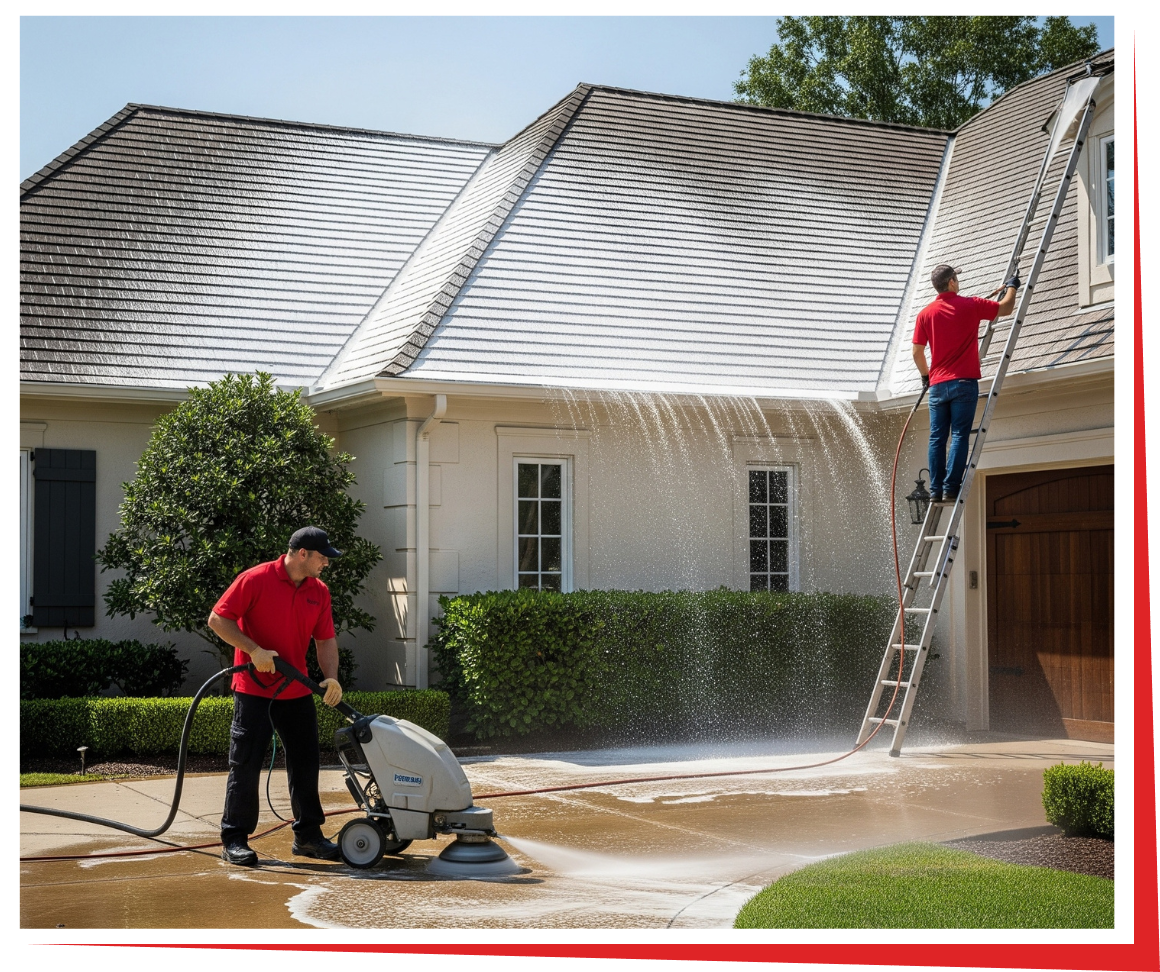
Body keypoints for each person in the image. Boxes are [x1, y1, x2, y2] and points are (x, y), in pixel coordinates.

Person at [208, 526, 346, 867]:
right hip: (254, 689)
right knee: (246, 764)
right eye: (322, 557)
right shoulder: (255, 579)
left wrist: (330, 678)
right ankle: (235, 839)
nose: (326, 564)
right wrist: (253, 650)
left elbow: (325, 640)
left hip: (296, 688)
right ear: (302, 554)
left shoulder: (319, 591)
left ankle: (309, 837)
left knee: (306, 762)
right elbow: (218, 619)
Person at [912, 264, 1019, 503]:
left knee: (937, 438)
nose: (958, 281)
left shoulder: (925, 314)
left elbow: (917, 352)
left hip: (938, 386)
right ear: (951, 282)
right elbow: (1007, 308)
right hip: (963, 383)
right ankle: (951, 487)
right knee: (959, 435)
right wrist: (1012, 287)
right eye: (956, 278)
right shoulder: (970, 305)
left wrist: (926, 377)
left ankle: (936, 490)